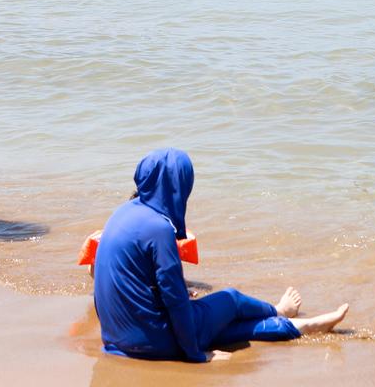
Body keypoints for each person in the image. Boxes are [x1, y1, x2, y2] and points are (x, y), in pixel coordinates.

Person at [94, 148, 350, 362]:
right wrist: (196, 355)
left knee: (226, 329)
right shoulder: (159, 229)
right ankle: (281, 312)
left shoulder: (121, 214)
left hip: (117, 342)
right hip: (156, 344)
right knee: (231, 300)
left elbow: (134, 279)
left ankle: (302, 327)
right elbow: (174, 301)